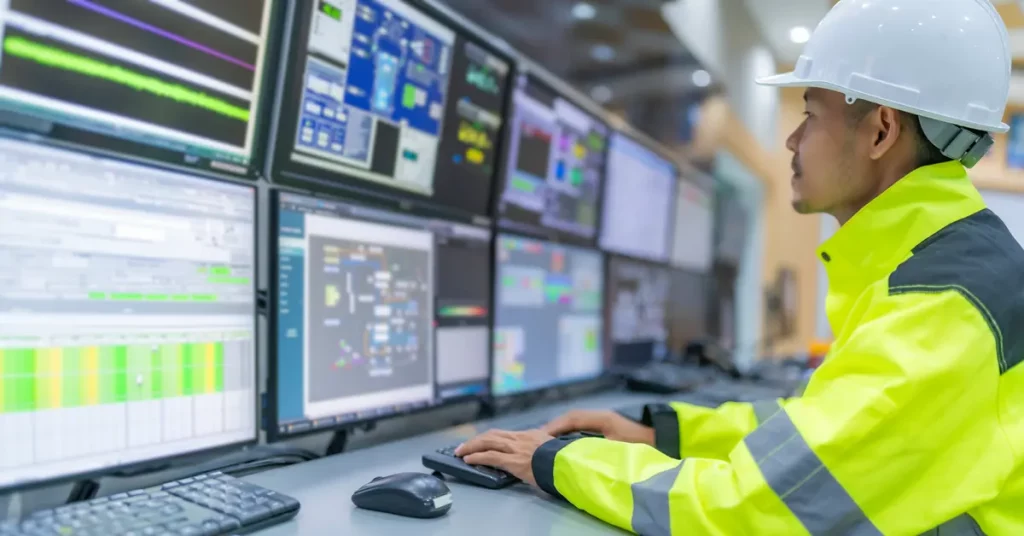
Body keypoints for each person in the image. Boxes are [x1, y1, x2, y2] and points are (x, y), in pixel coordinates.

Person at [455, 0, 1024, 533]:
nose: (792, 141)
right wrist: (666, 433)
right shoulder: (936, 267)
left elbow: (752, 508)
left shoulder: (943, 307)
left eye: (809, 115)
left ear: (880, 130)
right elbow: (815, 435)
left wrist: (558, 460)